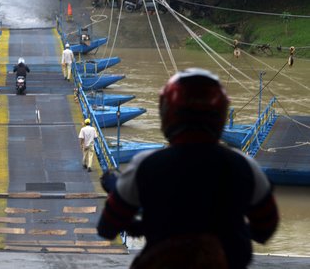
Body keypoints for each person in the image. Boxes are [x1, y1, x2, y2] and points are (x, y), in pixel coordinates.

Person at [97, 68, 279, 269]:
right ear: (220, 115)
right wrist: (229, 228)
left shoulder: (145, 166)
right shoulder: (246, 167)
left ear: (167, 113)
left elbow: (107, 227)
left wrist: (142, 221)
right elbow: (266, 228)